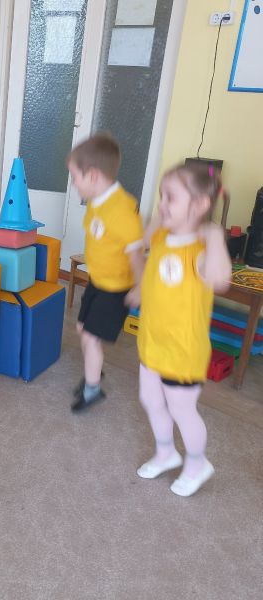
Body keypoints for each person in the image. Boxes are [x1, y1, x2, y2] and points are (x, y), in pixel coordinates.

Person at [135, 164, 231, 497]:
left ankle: (197, 463)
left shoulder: (202, 250)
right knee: (150, 399)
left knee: (180, 409)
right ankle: (165, 452)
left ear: (201, 204)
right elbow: (142, 241)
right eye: (161, 196)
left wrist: (215, 236)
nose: (162, 204)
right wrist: (165, 212)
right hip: (152, 342)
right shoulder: (163, 237)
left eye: (170, 197)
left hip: (183, 351)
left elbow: (220, 280)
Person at [67, 134, 144, 412]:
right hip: (98, 281)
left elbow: (136, 254)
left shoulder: (122, 211)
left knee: (91, 337)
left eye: (75, 177)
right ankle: (94, 369)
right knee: (82, 329)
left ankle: (92, 390)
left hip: (116, 289)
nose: (73, 183)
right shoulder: (96, 200)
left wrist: (140, 286)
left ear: (93, 175)